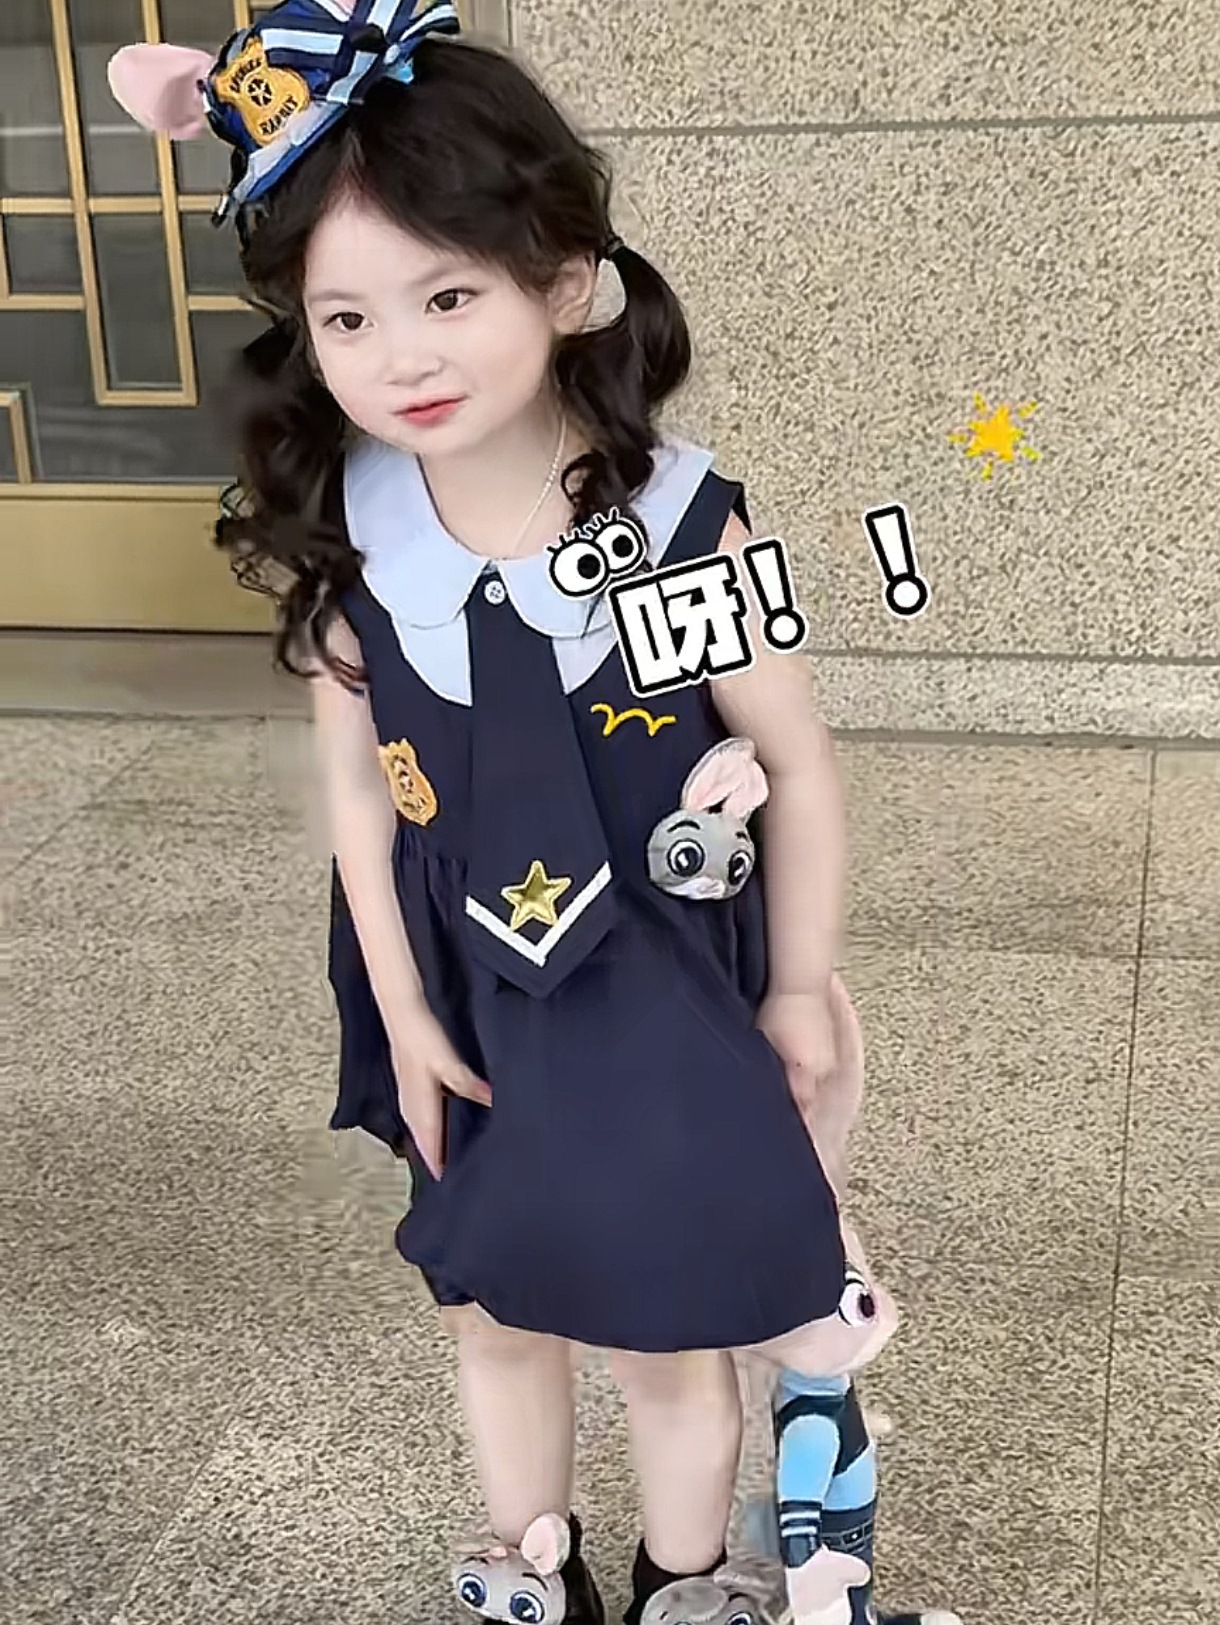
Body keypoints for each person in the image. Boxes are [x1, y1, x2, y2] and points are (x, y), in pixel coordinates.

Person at [108, 6, 875, 1621]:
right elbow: (354, 794)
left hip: (654, 983)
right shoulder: (355, 520)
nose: (403, 356)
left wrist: (800, 985)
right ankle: (536, 1572)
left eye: (449, 296)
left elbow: (796, 759)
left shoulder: (682, 524)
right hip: (462, 984)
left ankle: (682, 1583)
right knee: (495, 1304)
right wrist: (398, 1010)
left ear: (566, 279)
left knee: (668, 1321)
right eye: (349, 317)